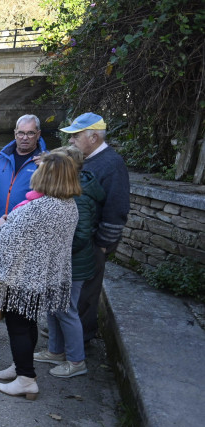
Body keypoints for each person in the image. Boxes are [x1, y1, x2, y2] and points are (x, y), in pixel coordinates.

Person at [0, 150, 81, 399]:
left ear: (48, 176)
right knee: (28, 322)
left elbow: (7, 240)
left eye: (41, 169)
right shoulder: (69, 205)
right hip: (44, 277)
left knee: (18, 325)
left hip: (23, 277)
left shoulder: (38, 207)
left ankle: (26, 379)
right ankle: (21, 368)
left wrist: (0, 226)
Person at [29, 146, 105, 379]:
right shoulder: (70, 191)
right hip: (62, 262)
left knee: (66, 310)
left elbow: (80, 237)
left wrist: (52, 250)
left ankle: (76, 361)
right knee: (54, 306)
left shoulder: (78, 197)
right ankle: (55, 350)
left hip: (73, 265)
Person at [61, 113, 130, 343]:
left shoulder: (112, 164)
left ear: (93, 137)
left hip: (91, 243)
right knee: (73, 294)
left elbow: (117, 210)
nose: (70, 141)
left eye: (75, 136)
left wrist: (102, 245)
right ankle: (67, 339)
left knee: (86, 295)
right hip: (79, 241)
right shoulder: (88, 159)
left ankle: (80, 344)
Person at [0, 114, 47, 243]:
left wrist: (47, 167)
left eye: (30, 133)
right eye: (21, 133)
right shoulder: (0, 158)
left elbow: (56, 194)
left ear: (38, 134)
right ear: (15, 134)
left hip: (29, 231)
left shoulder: (48, 161)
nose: (25, 138)